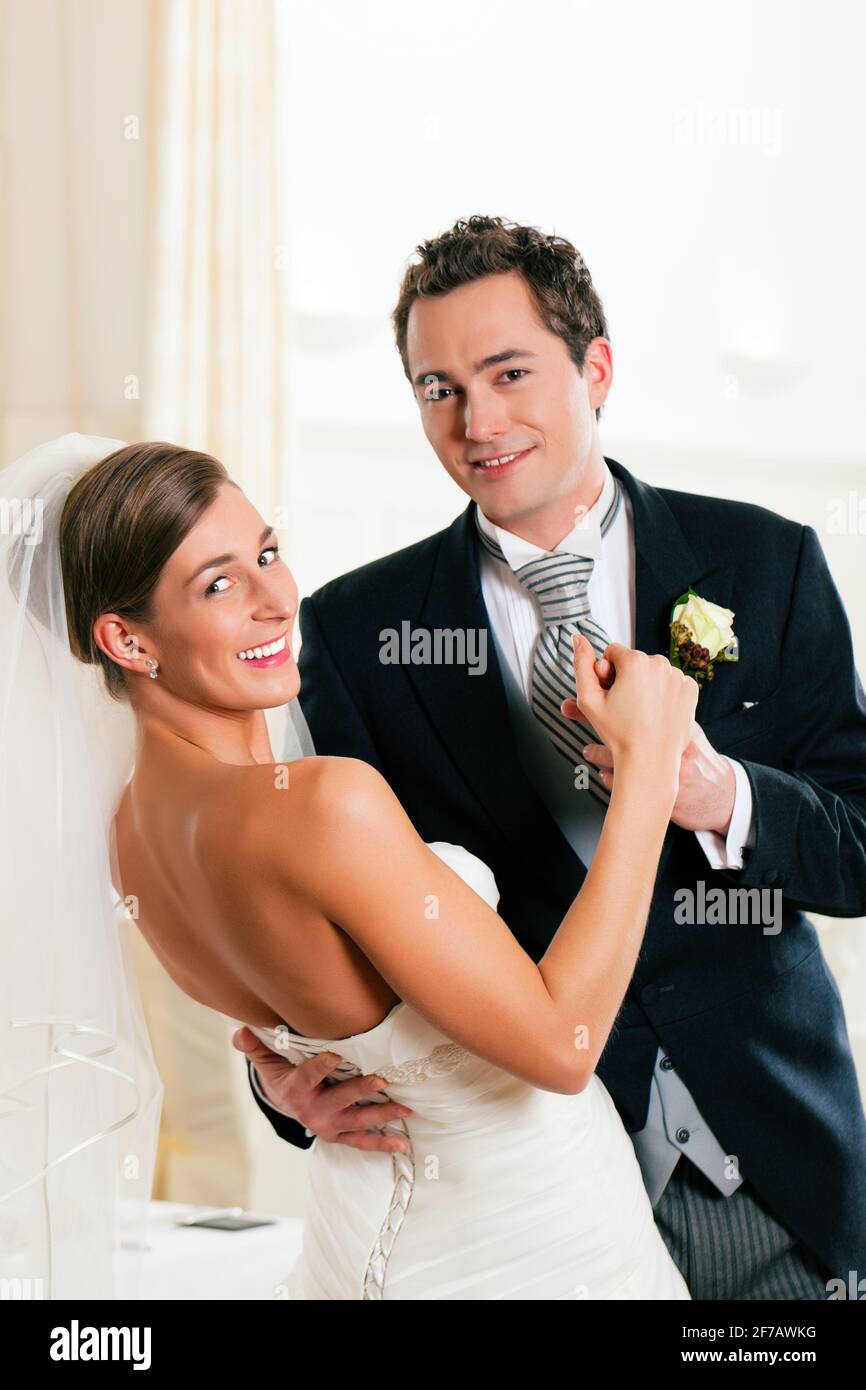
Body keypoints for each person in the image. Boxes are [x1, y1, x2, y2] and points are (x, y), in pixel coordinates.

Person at [238, 215, 866, 1301]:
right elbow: (319, 931)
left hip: (775, 1171)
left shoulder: (767, 563)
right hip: (518, 1196)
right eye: (437, 387)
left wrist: (714, 791)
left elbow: (857, 848)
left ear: (596, 368)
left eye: (508, 371)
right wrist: (285, 1094)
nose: (475, 420)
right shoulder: (355, 631)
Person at [36, 433, 699, 1300]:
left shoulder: (127, 836)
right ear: (126, 640)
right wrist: (649, 770)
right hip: (529, 1243)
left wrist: (284, 1085)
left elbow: (306, 1010)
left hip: (357, 1246)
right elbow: (562, 1047)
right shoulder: (320, 804)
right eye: (220, 583)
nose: (278, 599)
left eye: (268, 553)